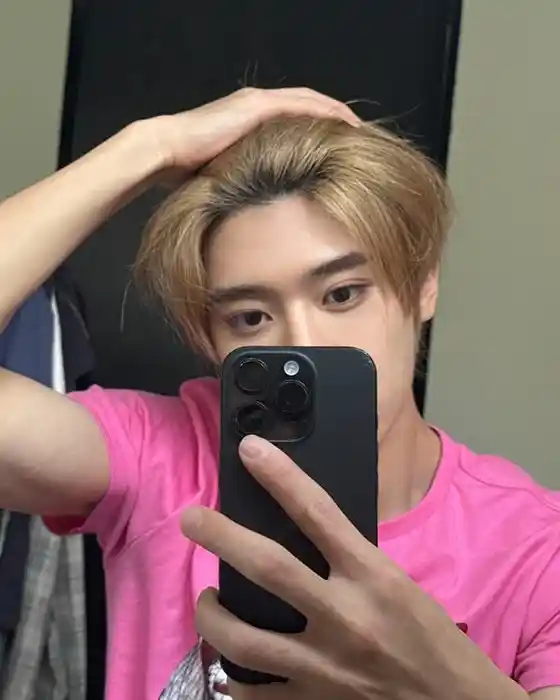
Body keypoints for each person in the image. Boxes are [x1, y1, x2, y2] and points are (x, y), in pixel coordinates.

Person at [0, 87, 557, 700]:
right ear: (209, 339)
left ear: (423, 283)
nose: (304, 344)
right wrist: (149, 146)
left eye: (342, 294)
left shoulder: (537, 551)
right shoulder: (160, 457)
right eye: (250, 317)